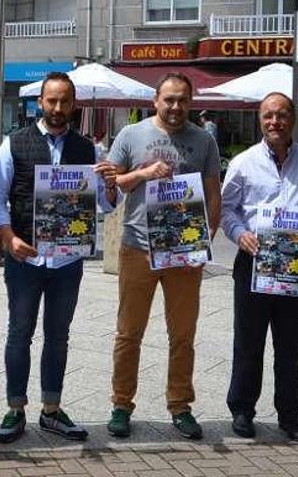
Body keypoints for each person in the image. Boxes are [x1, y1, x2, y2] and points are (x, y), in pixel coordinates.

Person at [0, 72, 119, 443]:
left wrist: (110, 186)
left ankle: (51, 410)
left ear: (73, 104)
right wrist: (9, 239)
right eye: (52, 101)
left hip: (66, 262)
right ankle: (15, 409)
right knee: (19, 334)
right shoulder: (13, 144)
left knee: (58, 336)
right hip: (25, 258)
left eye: (65, 101)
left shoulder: (90, 150)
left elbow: (107, 205)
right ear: (40, 103)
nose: (58, 108)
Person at [106, 72, 221, 440]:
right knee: (129, 333)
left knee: (183, 334)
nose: (175, 107)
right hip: (138, 246)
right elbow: (113, 183)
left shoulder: (203, 140)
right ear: (155, 100)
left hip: (184, 252)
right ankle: (121, 404)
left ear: (191, 102)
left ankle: (180, 405)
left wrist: (205, 242)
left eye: (182, 100)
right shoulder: (131, 135)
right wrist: (143, 172)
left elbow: (213, 195)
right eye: (168, 99)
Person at [221, 92, 298, 443]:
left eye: (282, 115)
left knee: (291, 346)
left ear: (293, 120)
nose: (275, 122)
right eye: (269, 116)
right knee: (248, 342)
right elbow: (227, 209)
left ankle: (289, 414)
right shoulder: (243, 162)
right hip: (254, 262)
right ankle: (242, 409)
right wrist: (240, 235)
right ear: (260, 120)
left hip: (297, 266)